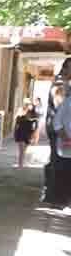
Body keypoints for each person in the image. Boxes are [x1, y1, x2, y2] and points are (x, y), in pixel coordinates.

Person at [48, 60, 71, 206]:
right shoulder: (60, 84)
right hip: (60, 131)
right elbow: (60, 110)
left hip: (63, 129)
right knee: (60, 165)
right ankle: (58, 197)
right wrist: (64, 134)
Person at [13, 100, 37, 168]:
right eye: (26, 104)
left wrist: (34, 134)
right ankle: (20, 164)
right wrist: (15, 133)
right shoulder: (20, 111)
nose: (27, 105)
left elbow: (35, 123)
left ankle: (21, 163)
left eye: (28, 104)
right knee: (22, 150)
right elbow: (16, 123)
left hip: (28, 133)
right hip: (20, 133)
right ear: (24, 104)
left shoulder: (31, 112)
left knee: (24, 150)